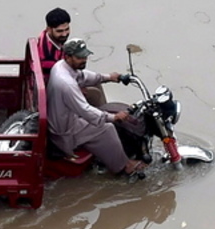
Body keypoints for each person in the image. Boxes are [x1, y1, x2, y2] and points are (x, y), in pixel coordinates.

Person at [47, 37, 146, 176]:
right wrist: (113, 117)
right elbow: (85, 110)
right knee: (107, 128)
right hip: (65, 131)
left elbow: (83, 76)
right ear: (68, 56)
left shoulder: (61, 66)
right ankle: (125, 166)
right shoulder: (66, 83)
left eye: (85, 56)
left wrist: (108, 77)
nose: (84, 60)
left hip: (63, 118)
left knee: (96, 90)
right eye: (80, 57)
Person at [36, 7, 106, 106]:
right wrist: (76, 90)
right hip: (54, 90)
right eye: (60, 31)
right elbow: (56, 82)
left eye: (67, 29)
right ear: (49, 29)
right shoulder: (48, 56)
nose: (65, 34)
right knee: (95, 95)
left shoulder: (46, 36)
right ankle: (101, 118)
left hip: (58, 79)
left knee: (96, 81)